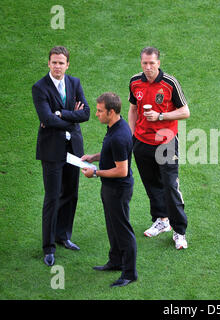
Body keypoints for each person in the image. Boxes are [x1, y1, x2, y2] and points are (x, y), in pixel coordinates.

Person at [32, 46, 90, 266]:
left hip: (73, 148)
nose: (57, 66)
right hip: (52, 150)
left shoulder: (74, 83)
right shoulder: (39, 87)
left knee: (71, 193)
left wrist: (61, 114)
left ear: (68, 65)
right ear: (48, 63)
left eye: (61, 63)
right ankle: (48, 247)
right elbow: (46, 117)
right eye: (54, 62)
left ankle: (63, 235)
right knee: (52, 196)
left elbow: (85, 113)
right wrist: (69, 117)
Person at [128, 47, 190, 250]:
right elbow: (133, 109)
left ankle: (179, 231)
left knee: (170, 186)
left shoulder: (170, 83)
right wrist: (131, 137)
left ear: (158, 63)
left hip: (166, 142)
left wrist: (161, 116)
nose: (148, 67)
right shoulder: (135, 81)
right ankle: (162, 220)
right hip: (141, 142)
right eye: (144, 63)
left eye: (151, 63)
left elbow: (185, 112)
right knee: (151, 184)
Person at [81, 92, 138, 288]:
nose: (96, 114)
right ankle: (115, 261)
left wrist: (95, 173)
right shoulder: (116, 126)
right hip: (111, 189)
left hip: (118, 190)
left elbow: (121, 170)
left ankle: (129, 273)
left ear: (111, 112)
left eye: (99, 111)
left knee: (122, 230)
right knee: (112, 227)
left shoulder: (119, 136)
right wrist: (93, 157)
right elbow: (110, 154)